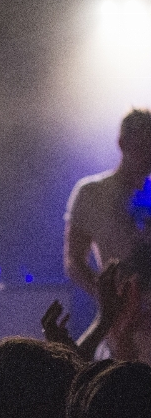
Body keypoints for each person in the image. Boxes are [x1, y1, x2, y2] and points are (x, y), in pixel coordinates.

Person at [65, 108, 151, 297]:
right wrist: (108, 298)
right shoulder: (91, 192)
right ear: (122, 143)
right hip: (122, 318)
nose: (147, 154)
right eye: (142, 146)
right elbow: (74, 260)